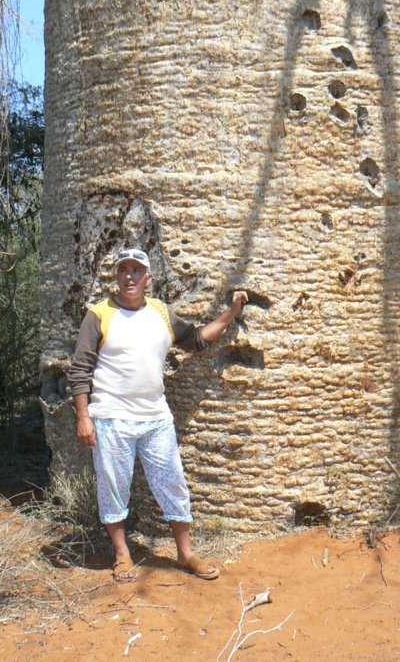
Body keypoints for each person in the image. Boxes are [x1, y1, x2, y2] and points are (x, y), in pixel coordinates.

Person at [68, 247, 247, 582]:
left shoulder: (161, 313)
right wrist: (83, 416)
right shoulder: (99, 315)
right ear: (117, 276)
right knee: (113, 488)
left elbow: (195, 340)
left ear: (148, 278)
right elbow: (80, 369)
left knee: (172, 483)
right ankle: (122, 555)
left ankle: (185, 553)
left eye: (137, 270)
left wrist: (231, 313)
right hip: (110, 419)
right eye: (124, 270)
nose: (129, 276)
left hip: (155, 419)